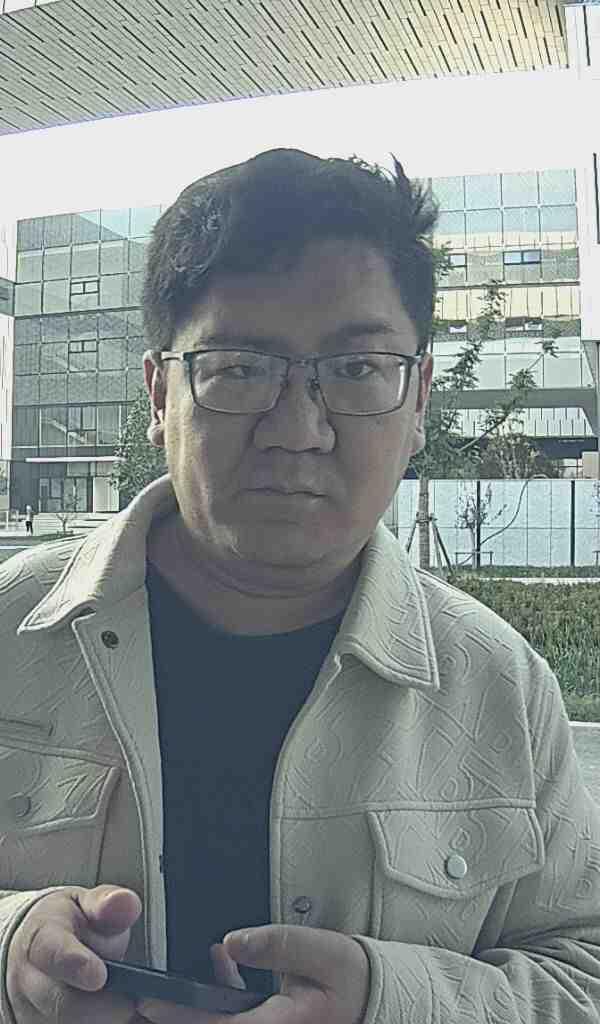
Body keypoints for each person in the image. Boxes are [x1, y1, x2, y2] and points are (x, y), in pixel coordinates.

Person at [0, 149, 599, 1024]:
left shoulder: (498, 685)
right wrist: (12, 944)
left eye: (357, 370)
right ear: (160, 394)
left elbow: (583, 970)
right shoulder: (10, 630)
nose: (298, 429)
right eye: (241, 368)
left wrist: (391, 1002)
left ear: (419, 398)